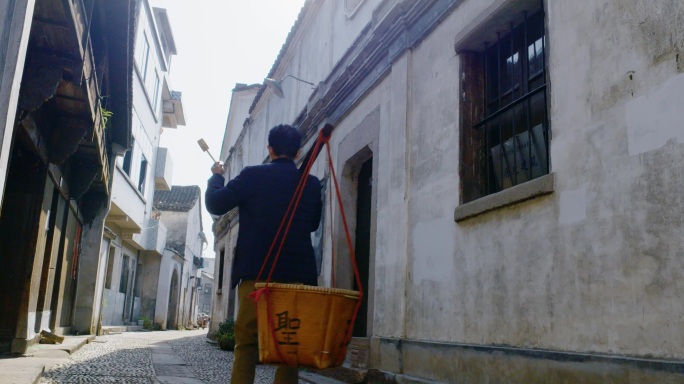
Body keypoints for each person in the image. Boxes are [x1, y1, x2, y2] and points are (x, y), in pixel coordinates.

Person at [205, 124, 322, 384]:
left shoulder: (251, 176)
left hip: (256, 274)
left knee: (247, 343)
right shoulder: (311, 184)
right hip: (297, 277)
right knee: (289, 347)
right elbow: (313, 224)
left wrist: (216, 177)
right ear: (298, 151)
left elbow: (216, 202)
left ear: (269, 150)